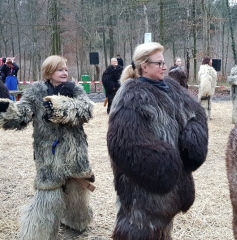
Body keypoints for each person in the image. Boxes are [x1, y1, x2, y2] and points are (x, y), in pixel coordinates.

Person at [107, 42, 208, 240]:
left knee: (162, 230)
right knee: (139, 231)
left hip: (172, 186)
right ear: (144, 66)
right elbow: (124, 144)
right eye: (159, 63)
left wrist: (193, 140)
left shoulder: (171, 86)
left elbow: (196, 113)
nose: (164, 67)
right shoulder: (131, 95)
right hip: (145, 191)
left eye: (164, 62)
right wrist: (165, 165)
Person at [0, 55, 95, 240]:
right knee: (48, 197)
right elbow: (22, 114)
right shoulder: (35, 91)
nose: (65, 72)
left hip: (75, 153)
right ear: (49, 72)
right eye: (60, 69)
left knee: (77, 195)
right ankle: (39, 234)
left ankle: (76, 222)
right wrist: (6, 110)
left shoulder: (74, 90)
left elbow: (87, 109)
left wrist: (60, 106)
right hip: (48, 156)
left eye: (66, 69)